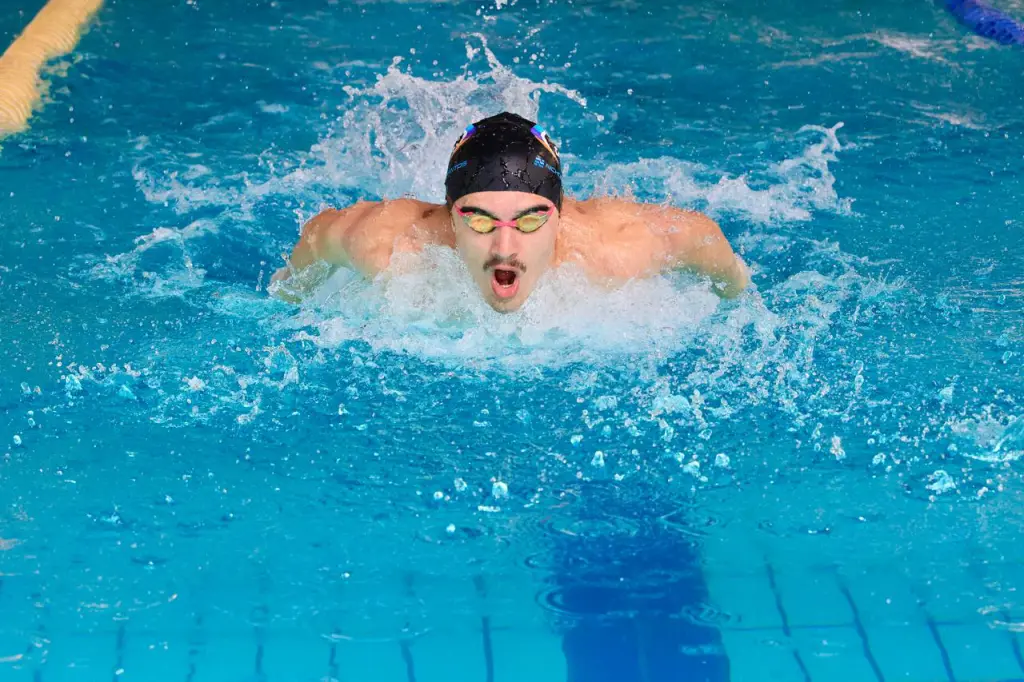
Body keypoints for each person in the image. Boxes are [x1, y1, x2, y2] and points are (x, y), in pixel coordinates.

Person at [271, 112, 749, 310]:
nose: (505, 247)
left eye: (530, 221)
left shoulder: (616, 250)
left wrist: (737, 305)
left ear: (560, 216)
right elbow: (316, 239)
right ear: (449, 216)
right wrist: (287, 303)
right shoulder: (386, 245)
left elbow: (706, 241)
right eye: (479, 220)